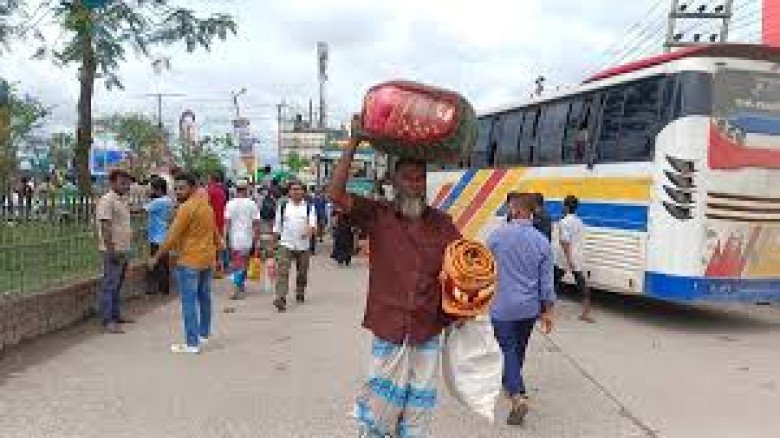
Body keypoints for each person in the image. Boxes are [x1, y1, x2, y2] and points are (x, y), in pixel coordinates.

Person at [330, 116, 462, 437]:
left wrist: (463, 306)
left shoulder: (443, 223)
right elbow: (335, 194)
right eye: (408, 178)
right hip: (388, 327)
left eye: (420, 178)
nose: (415, 184)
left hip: (426, 329)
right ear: (394, 181)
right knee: (380, 409)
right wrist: (354, 142)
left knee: (418, 409)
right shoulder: (377, 215)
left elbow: (463, 267)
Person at [487, 192, 555, 426]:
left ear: (515, 211)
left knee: (507, 348)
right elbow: (546, 283)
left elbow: (485, 270)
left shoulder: (496, 237)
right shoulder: (542, 242)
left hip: (502, 306)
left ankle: (517, 395)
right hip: (529, 309)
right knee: (518, 348)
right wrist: (547, 311)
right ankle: (513, 383)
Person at [148, 172, 222, 354]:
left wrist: (156, 256)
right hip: (206, 259)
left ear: (193, 188)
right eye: (176, 188)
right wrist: (218, 252)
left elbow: (172, 236)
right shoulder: (206, 207)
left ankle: (192, 343)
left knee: (189, 301)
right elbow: (215, 233)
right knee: (204, 297)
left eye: (182, 188)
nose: (178, 192)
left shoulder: (186, 208)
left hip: (189, 260)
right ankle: (203, 334)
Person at [96, 168, 136, 334]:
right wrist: (111, 250)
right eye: (122, 182)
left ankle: (116, 314)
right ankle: (108, 320)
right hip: (112, 249)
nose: (126, 186)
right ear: (112, 183)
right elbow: (105, 227)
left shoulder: (122, 200)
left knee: (118, 285)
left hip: (123, 249)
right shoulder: (107, 201)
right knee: (110, 285)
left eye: (127, 183)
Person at [272, 180, 317, 312]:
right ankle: (280, 298)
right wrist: (273, 244)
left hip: (303, 246)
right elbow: (277, 226)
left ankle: (300, 291)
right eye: (293, 189)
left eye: (298, 189)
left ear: (303, 191)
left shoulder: (309, 207)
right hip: (285, 244)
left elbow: (313, 225)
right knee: (283, 272)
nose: (296, 191)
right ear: (289, 192)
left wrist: (309, 231)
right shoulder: (283, 206)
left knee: (302, 273)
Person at [555, 195, 594, 323]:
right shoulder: (580, 222)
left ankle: (544, 310)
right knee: (581, 283)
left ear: (565, 207)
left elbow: (565, 242)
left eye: (563, 205)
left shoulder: (563, 222)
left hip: (566, 257)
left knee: (552, 281)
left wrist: (568, 259)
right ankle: (586, 313)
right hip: (577, 257)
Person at [224, 180, 261, 300]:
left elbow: (227, 223)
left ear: (236, 189)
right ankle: (236, 288)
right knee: (242, 264)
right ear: (247, 189)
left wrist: (224, 237)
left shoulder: (230, 204)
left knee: (238, 263)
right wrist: (257, 240)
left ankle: (239, 285)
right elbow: (256, 224)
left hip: (234, 239)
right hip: (247, 238)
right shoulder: (252, 204)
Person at [144, 177, 173, 295]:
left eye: (151, 189)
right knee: (164, 264)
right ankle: (165, 288)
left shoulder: (158, 202)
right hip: (165, 235)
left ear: (158, 189)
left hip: (157, 237)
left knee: (158, 263)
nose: (150, 191)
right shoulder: (168, 200)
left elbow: (141, 210)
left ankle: (159, 289)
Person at [206, 172, 228, 273]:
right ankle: (220, 268)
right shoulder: (222, 191)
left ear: (212, 179)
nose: (207, 180)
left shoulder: (209, 191)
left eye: (208, 178)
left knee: (212, 245)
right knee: (219, 245)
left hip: (211, 221)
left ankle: (214, 269)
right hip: (220, 220)